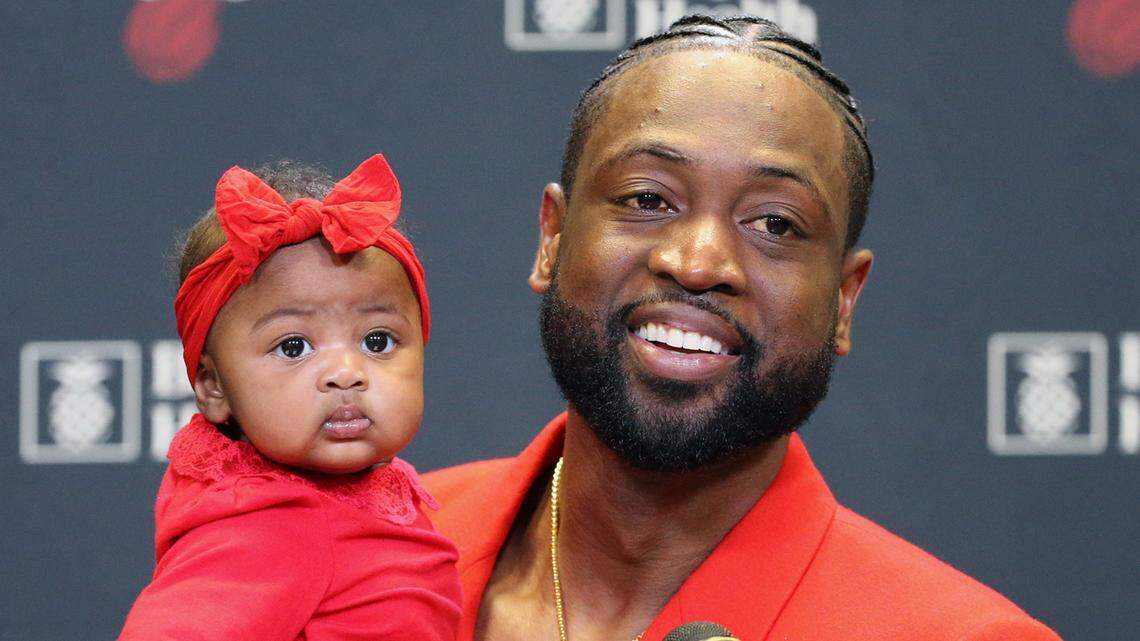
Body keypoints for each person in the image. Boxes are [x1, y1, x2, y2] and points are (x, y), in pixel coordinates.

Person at [423, 16, 1061, 641]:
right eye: (648, 199)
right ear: (552, 238)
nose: (698, 263)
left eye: (776, 224)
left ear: (843, 299)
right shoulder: (365, 543)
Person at [118, 155, 461, 640]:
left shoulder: (342, 501)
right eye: (293, 347)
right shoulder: (270, 524)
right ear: (213, 386)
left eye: (377, 341)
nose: (346, 373)